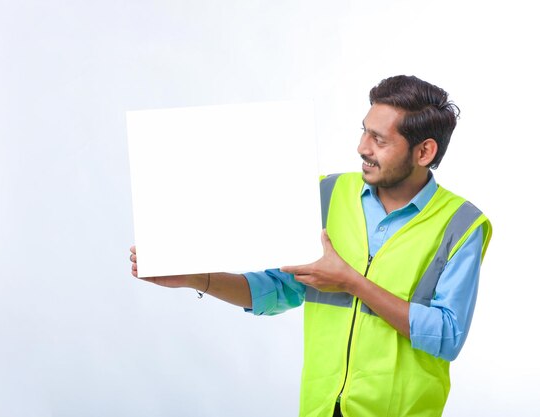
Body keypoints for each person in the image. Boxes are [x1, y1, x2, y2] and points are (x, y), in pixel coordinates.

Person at [129, 75, 492, 417]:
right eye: (364, 132)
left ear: (424, 151)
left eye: (379, 140)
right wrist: (197, 276)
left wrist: (352, 282)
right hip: (319, 407)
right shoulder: (327, 193)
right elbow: (278, 288)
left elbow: (447, 335)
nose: (362, 147)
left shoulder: (461, 224)